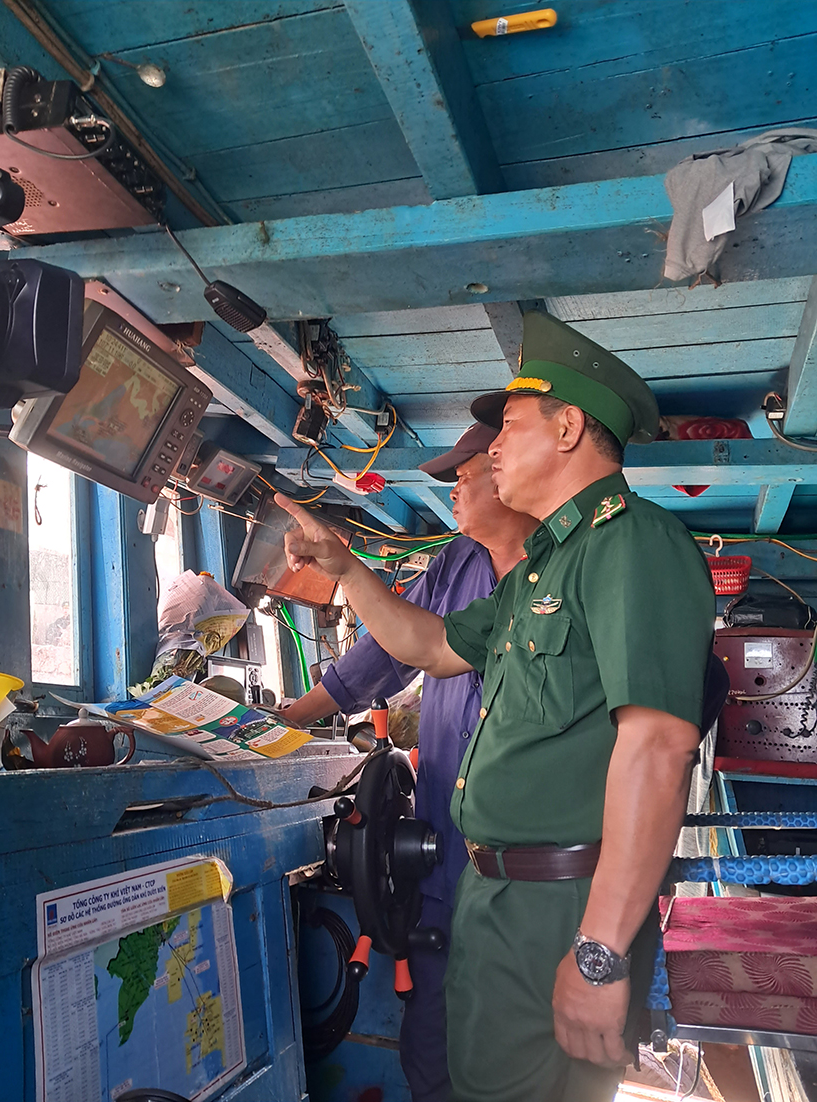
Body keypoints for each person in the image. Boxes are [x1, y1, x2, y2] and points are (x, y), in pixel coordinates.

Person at [275, 311, 715, 1102]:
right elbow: (430, 646)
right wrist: (345, 569)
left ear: (570, 426)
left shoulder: (629, 544)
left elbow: (655, 751)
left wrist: (599, 952)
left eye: (509, 428)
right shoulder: (540, 569)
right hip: (495, 890)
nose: (493, 449)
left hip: (557, 904)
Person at [280, 423, 538, 1102]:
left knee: (526, 1058)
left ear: (513, 475)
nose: (452, 488)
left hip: (533, 877)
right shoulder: (454, 563)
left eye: (465, 473)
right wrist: (293, 718)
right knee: (432, 1047)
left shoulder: (569, 568)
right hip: (440, 859)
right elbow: (391, 646)